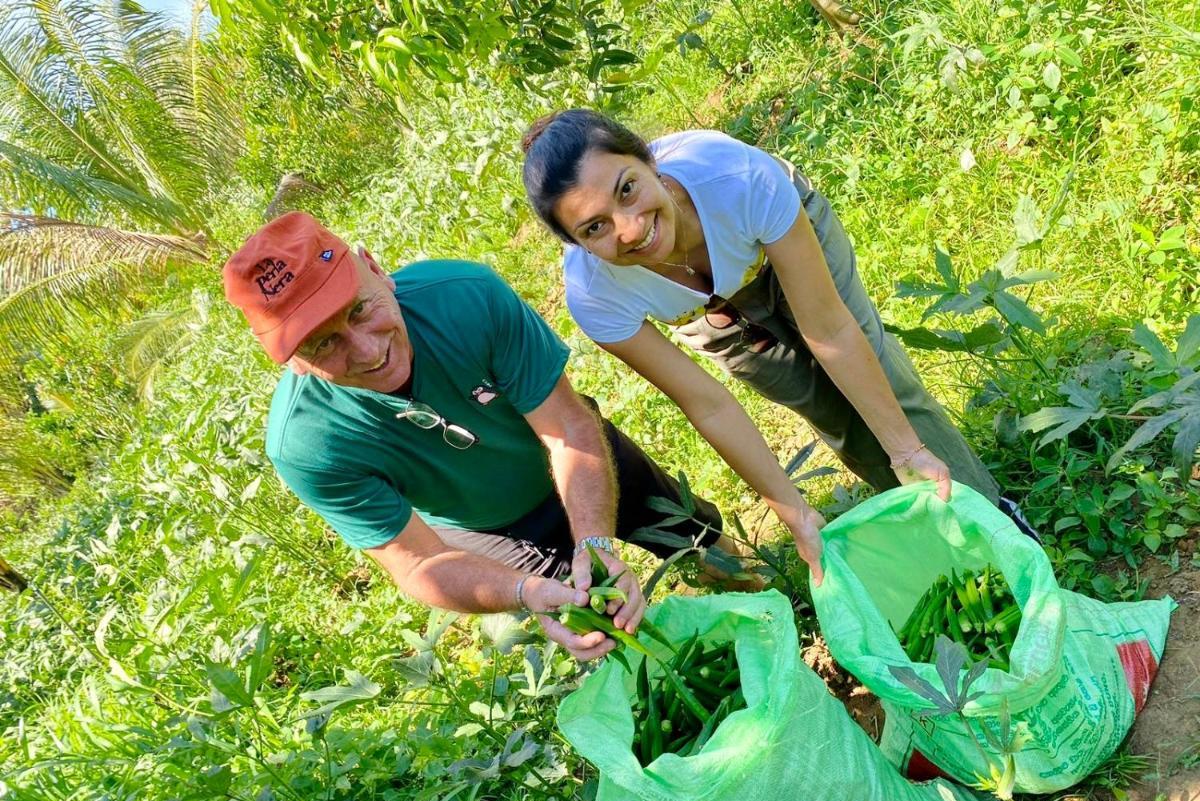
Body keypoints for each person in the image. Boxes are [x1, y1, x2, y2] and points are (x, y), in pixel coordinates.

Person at [520, 111, 1038, 580]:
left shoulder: (735, 179)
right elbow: (708, 403)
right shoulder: (595, 296)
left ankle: (996, 527)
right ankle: (933, 525)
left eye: (628, 189)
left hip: (778, 241)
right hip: (707, 310)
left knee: (881, 387)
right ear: (578, 244)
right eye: (596, 227)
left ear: (649, 161)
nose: (630, 230)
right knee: (829, 410)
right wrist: (794, 512)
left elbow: (830, 330)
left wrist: (907, 447)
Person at [222, 211, 742, 661]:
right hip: (488, 529)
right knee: (603, 635)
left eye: (360, 309)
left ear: (376, 268)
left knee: (698, 540)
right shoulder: (308, 442)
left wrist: (595, 541)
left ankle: (771, 603)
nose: (365, 352)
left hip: (571, 454)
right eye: (323, 344)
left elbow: (567, 428)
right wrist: (525, 591)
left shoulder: (464, 299)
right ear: (296, 362)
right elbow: (418, 562)